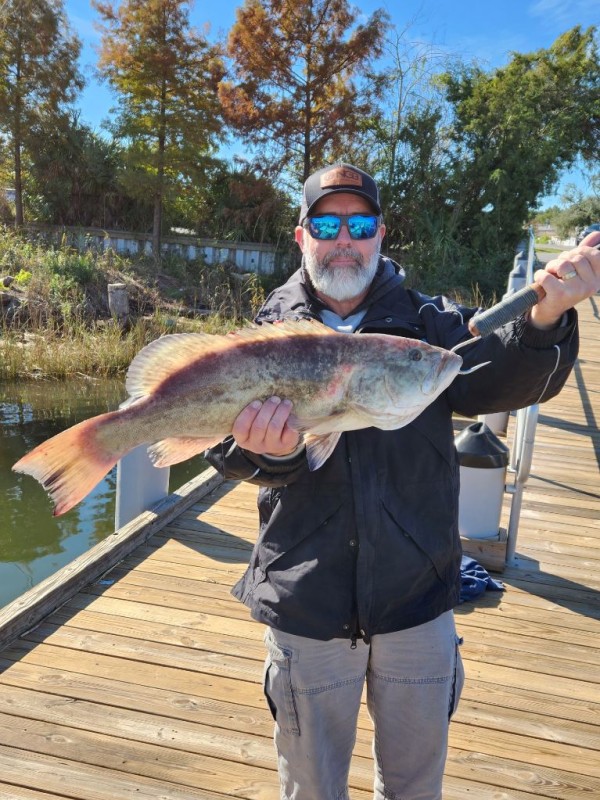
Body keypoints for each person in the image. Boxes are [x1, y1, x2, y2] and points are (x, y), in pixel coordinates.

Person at [205, 163, 600, 800]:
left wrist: (546, 316)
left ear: (381, 234)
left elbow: (501, 376)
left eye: (359, 225)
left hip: (418, 602)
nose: (344, 240)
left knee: (415, 788)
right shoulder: (265, 335)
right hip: (307, 605)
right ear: (301, 235)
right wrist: (271, 455)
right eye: (327, 224)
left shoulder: (431, 327)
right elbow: (225, 445)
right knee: (310, 788)